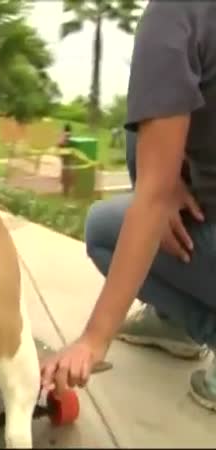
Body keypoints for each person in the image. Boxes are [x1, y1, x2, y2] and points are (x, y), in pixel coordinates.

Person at [41, 1, 216, 412]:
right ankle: (170, 324)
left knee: (103, 229)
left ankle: (195, 327)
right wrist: (170, 176)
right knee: (145, 129)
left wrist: (93, 339)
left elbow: (150, 201)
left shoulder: (176, 13)